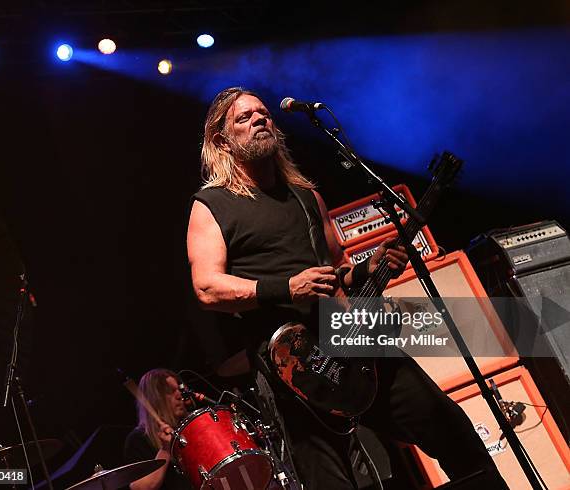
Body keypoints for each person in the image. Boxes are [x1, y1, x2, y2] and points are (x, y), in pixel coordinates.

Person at [186, 87, 508, 489]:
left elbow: (335, 269)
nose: (259, 119)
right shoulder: (213, 204)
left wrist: (363, 269)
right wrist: (287, 288)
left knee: (453, 433)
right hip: (297, 365)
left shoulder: (306, 197)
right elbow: (207, 288)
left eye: (263, 113)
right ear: (222, 140)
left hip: (351, 339)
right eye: (244, 118)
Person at [124, 368, 191, 490]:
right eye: (171, 391)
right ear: (155, 398)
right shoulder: (138, 439)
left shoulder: (190, 428)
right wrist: (165, 449)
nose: (179, 395)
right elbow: (140, 488)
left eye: (179, 389)